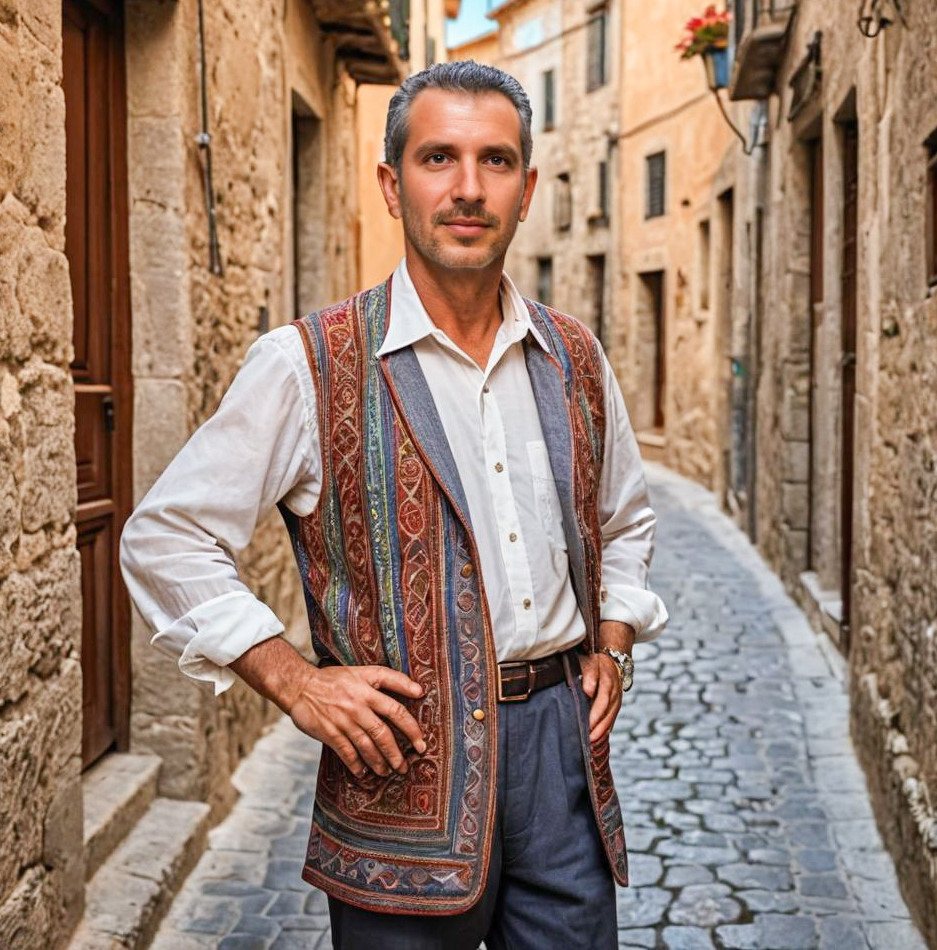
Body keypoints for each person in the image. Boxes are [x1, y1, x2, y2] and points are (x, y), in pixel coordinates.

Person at [120, 61, 667, 949]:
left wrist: (613, 639)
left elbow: (623, 518)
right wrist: (294, 680)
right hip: (398, 776)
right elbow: (168, 535)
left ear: (527, 190)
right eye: (437, 158)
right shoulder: (308, 362)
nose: (466, 188)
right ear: (390, 182)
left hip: (562, 764)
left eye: (495, 162)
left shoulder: (575, 357)